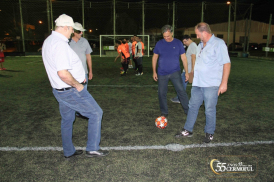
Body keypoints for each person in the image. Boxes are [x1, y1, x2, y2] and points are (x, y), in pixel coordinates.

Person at [42, 14, 109, 158]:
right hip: (70, 90)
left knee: (67, 120)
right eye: (71, 29)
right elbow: (63, 73)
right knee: (96, 113)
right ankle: (92, 148)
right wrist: (77, 85)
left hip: (60, 90)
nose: (72, 32)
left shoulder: (49, 40)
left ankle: (69, 150)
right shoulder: (59, 44)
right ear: (66, 27)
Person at [175, 22, 231, 143]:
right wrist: (191, 75)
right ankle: (188, 129)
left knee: (209, 109)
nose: (197, 36)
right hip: (197, 83)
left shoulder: (218, 44)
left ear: (204, 32)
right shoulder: (200, 45)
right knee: (192, 106)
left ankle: (209, 132)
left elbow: (226, 63)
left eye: (197, 34)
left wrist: (224, 83)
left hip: (211, 84)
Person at [152, 25, 189, 118]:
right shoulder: (159, 44)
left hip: (175, 72)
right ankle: (164, 112)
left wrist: (187, 72)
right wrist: (154, 71)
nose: (166, 38)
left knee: (181, 91)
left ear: (172, 33)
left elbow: (184, 58)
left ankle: (188, 111)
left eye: (168, 36)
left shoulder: (178, 43)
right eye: (164, 36)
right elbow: (155, 57)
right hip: (161, 73)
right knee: (161, 93)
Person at [170, 35, 197, 103]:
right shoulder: (191, 46)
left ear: (189, 39)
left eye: (185, 41)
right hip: (188, 70)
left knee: (181, 85)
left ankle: (179, 99)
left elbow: (193, 57)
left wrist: (192, 70)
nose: (184, 43)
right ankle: (180, 98)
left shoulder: (192, 45)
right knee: (182, 84)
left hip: (188, 71)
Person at [69, 22, 93, 90]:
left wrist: (90, 71)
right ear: (74, 31)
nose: (81, 33)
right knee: (72, 95)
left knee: (83, 93)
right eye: (79, 31)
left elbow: (88, 56)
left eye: (82, 31)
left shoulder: (85, 41)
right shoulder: (67, 42)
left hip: (83, 73)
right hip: (71, 74)